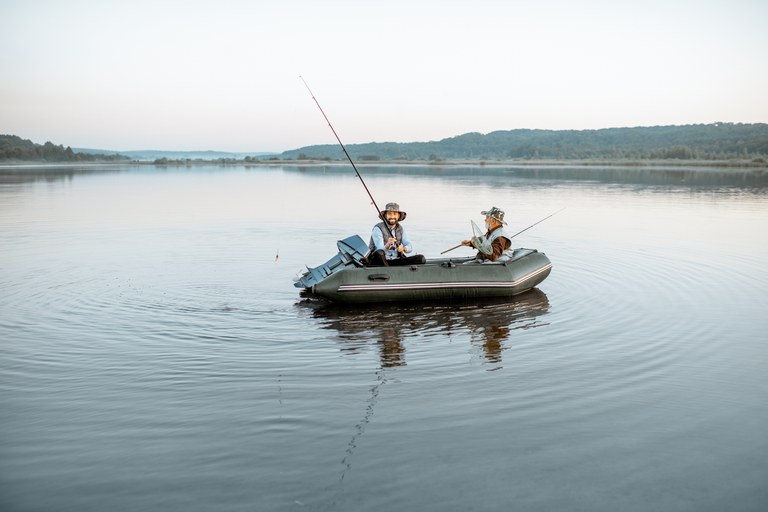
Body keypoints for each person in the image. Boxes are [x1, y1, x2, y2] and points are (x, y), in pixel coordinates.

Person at [367, 202, 426, 266]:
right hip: (379, 261)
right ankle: (388, 270)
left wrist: (403, 248)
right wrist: (388, 244)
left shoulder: (400, 229)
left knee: (421, 258)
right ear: (385, 215)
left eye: (395, 214)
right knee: (380, 253)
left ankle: (392, 270)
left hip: (395, 260)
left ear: (398, 216)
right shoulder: (378, 228)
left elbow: (409, 246)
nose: (392, 216)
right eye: (389, 214)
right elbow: (379, 249)